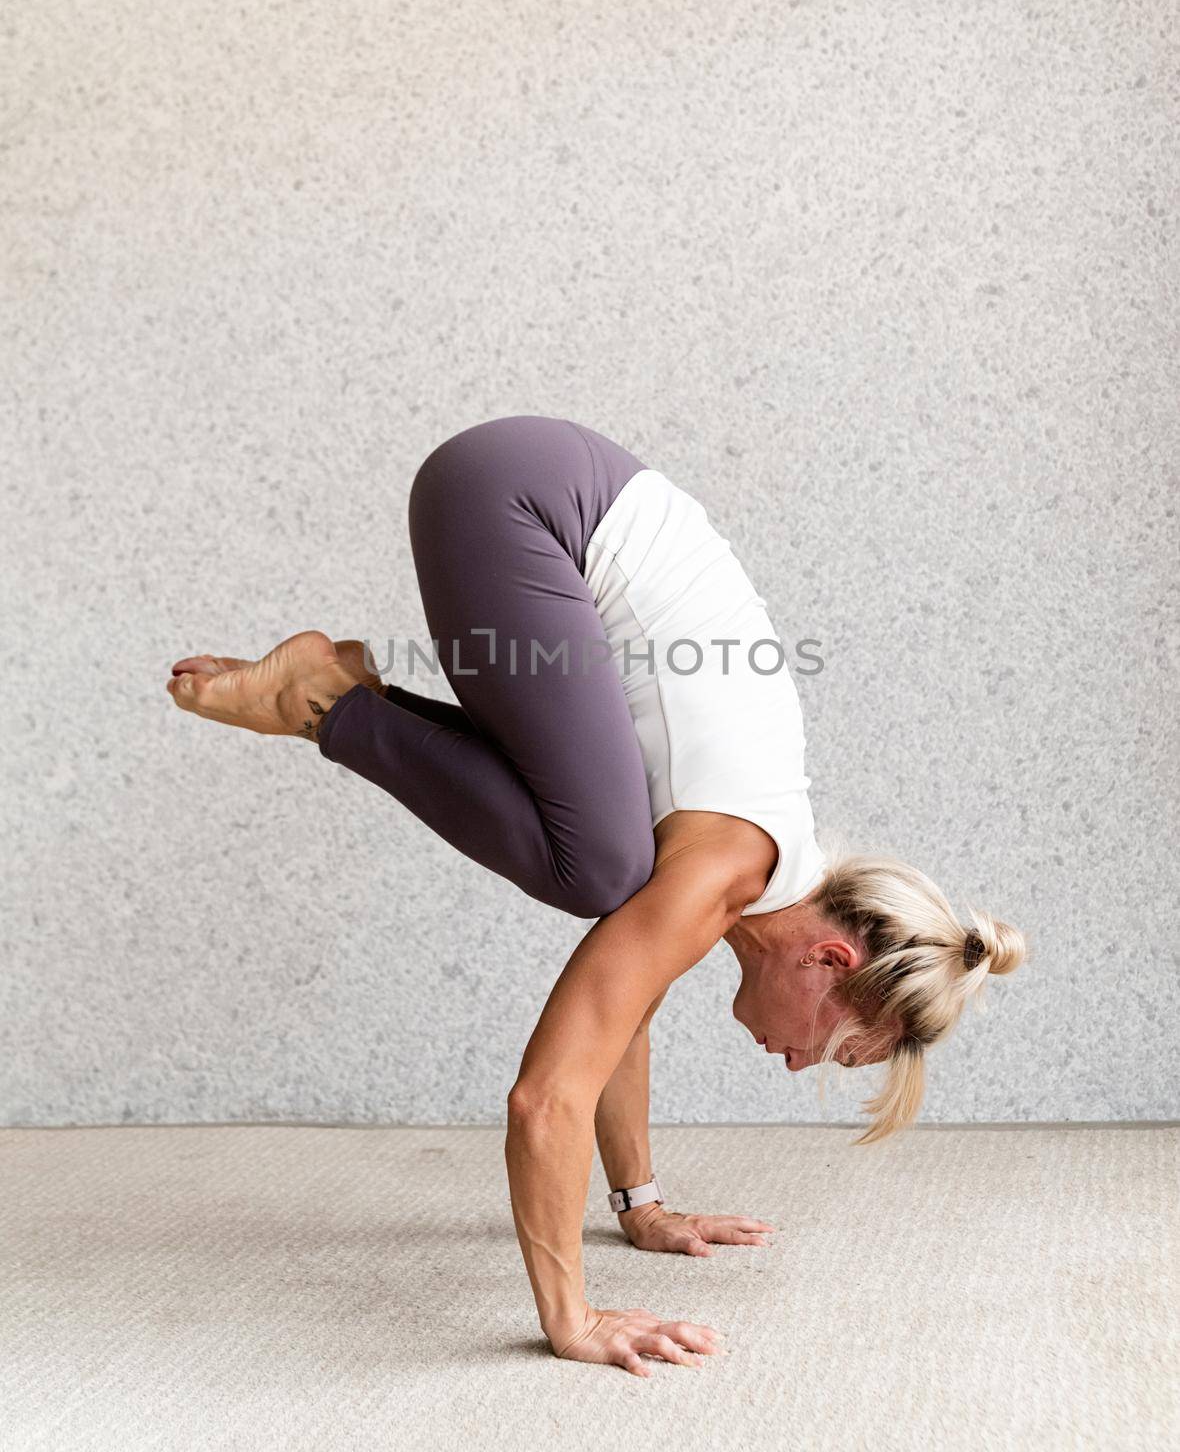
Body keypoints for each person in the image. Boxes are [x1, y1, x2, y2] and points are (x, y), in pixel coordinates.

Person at [167, 413, 1029, 1377]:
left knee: (610, 875)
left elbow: (621, 1020)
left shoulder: (745, 872)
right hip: (521, 501)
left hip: (532, 487)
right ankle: (325, 701)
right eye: (834, 1046)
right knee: (599, 869)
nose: (796, 1066)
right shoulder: (723, 873)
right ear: (832, 958)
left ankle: (338, 693)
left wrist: (640, 1206)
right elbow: (545, 1099)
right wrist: (572, 1319)